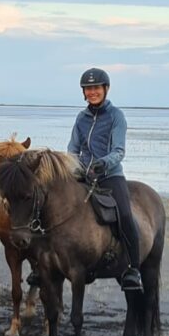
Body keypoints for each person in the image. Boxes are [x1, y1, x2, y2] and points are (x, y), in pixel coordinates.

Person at [67, 68, 143, 292]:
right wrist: (75, 166)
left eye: (96, 88)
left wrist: (102, 164)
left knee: (126, 214)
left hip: (110, 175)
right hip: (83, 175)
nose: (92, 92)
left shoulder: (116, 116)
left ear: (105, 89)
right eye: (88, 89)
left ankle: (133, 268)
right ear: (84, 92)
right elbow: (73, 148)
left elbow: (119, 151)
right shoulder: (81, 118)